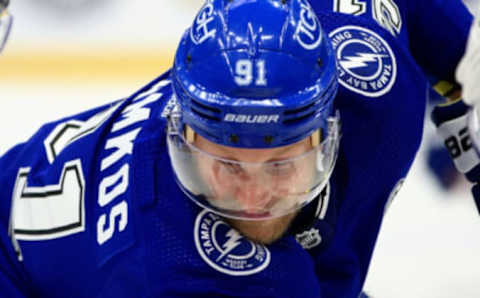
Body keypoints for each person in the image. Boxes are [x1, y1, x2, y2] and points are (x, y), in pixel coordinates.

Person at [0, 0, 475, 297]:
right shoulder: (176, 266)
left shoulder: (373, 82)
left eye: (281, 163)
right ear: (181, 136)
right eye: (226, 165)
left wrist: (467, 57)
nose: (253, 201)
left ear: (329, 132)